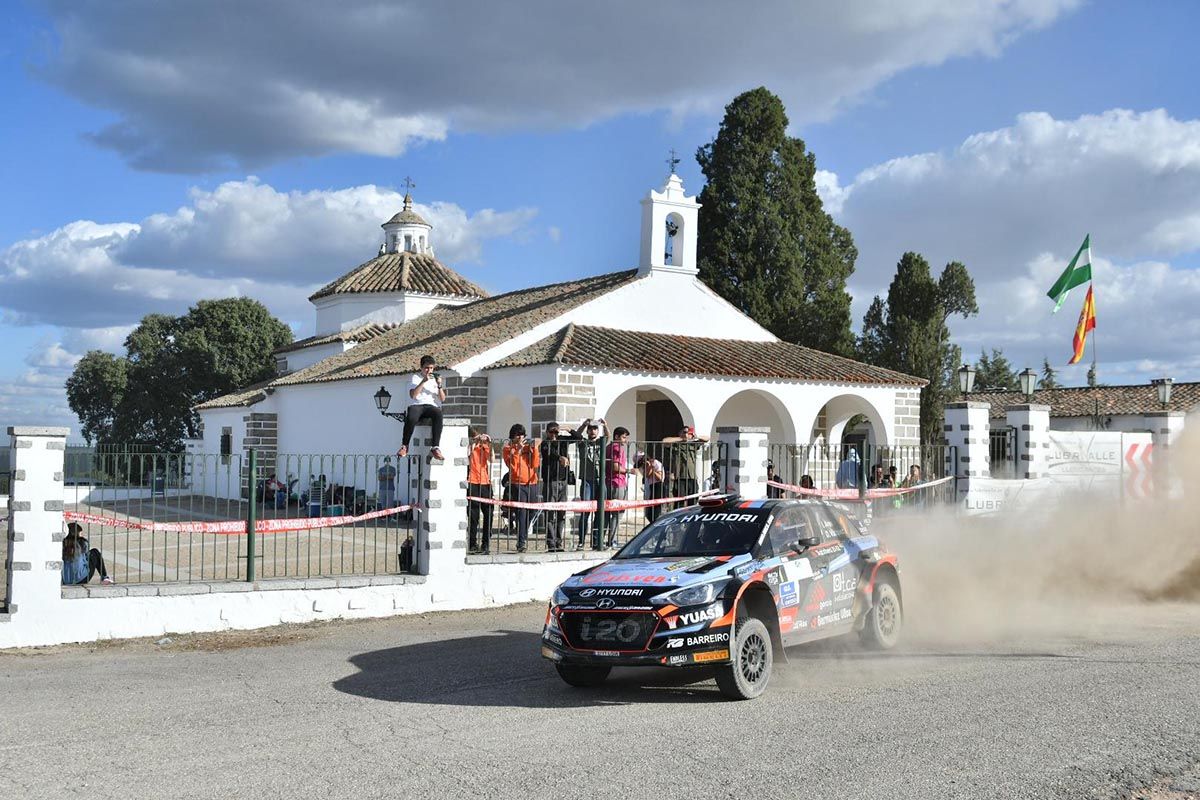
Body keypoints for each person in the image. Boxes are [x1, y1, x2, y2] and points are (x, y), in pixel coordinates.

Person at [397, 354, 446, 461]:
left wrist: (439, 385)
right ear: (422, 368)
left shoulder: (435, 380)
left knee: (438, 413)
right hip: (417, 405)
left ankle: (435, 447)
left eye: (431, 368)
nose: (429, 370)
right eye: (426, 368)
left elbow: (442, 399)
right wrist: (423, 381)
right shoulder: (415, 378)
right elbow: (413, 395)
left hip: (431, 406)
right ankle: (405, 446)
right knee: (411, 416)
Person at [539, 422, 577, 552]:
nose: (554, 435)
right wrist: (561, 457)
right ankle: (551, 542)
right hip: (551, 482)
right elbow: (551, 453)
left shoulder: (563, 440)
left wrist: (569, 429)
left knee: (561, 512)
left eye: (556, 432)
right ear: (547, 432)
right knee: (550, 512)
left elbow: (578, 438)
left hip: (563, 481)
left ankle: (559, 542)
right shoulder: (545, 444)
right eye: (551, 432)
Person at [502, 424, 540, 552]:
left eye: (522, 435)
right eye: (517, 435)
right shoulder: (508, 449)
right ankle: (521, 541)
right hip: (518, 484)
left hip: (532, 482)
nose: (520, 437)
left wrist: (534, 449)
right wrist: (518, 450)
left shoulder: (528, 447)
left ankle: (522, 529)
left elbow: (535, 464)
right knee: (521, 513)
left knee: (533, 510)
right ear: (512, 437)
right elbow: (512, 466)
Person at [576, 418, 607, 550]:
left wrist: (605, 425)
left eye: (595, 428)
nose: (593, 431)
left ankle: (596, 541)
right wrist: (583, 425)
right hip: (587, 480)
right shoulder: (583, 443)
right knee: (585, 511)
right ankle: (581, 541)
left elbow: (608, 436)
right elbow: (576, 435)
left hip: (600, 479)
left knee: (600, 512)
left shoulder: (601, 442)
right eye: (591, 428)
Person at [662, 425, 709, 508]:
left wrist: (696, 436)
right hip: (680, 478)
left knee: (693, 502)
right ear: (680, 433)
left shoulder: (693, 444)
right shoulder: (675, 445)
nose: (687, 434)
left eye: (689, 433)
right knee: (679, 502)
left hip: (692, 478)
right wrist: (681, 439)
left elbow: (707, 438)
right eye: (684, 432)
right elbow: (665, 441)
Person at [603, 426, 633, 548]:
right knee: (618, 513)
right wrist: (629, 470)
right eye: (624, 437)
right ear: (617, 437)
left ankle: (601, 540)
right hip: (617, 483)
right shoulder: (617, 448)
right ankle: (612, 540)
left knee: (608, 513)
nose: (625, 440)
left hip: (610, 482)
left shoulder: (608, 447)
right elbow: (615, 467)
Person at [466, 431, 493, 553]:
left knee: (489, 514)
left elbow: (492, 459)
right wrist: (474, 442)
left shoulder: (485, 446)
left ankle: (486, 543)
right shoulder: (471, 446)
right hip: (472, 482)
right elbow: (467, 454)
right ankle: (472, 543)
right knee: (473, 516)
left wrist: (489, 442)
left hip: (485, 482)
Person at [637, 452, 665, 523]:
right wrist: (648, 467)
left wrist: (652, 469)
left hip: (658, 486)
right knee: (648, 514)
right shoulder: (647, 466)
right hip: (651, 487)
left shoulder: (655, 463)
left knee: (655, 512)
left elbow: (660, 478)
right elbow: (647, 475)